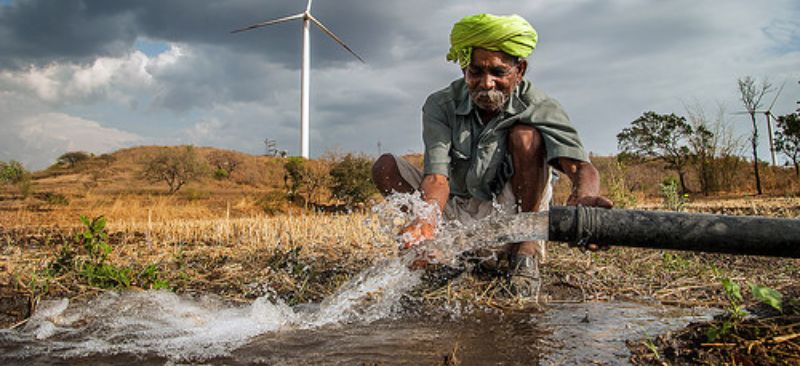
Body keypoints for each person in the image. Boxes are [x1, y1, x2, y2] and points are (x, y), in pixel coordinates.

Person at [372, 13, 612, 300]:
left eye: (498, 72)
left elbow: (580, 167)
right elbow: (436, 176)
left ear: (519, 69)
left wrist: (584, 200)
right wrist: (426, 219)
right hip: (456, 207)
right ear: (465, 70)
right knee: (385, 166)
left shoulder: (539, 105)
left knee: (526, 136)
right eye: (476, 72)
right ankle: (444, 252)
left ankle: (525, 250)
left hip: (510, 208)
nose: (486, 83)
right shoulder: (441, 104)